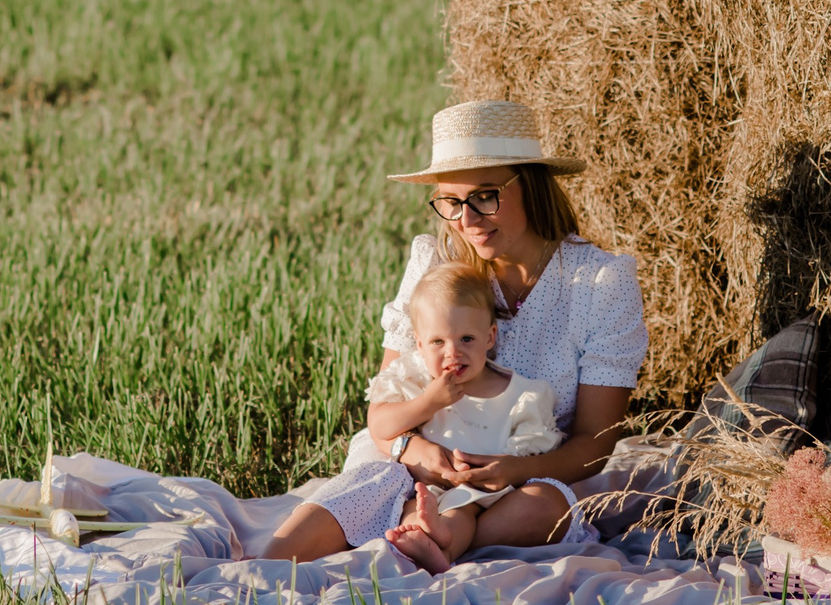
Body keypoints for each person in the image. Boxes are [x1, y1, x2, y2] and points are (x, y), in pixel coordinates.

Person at [262, 98, 647, 562]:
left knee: (545, 508)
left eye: (486, 196)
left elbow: (596, 442)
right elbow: (385, 406)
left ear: (532, 185)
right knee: (371, 483)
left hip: (521, 477)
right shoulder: (433, 262)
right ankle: (270, 564)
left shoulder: (601, 283)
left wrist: (514, 470)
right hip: (410, 454)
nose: (466, 221)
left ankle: (410, 537)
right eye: (450, 201)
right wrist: (415, 449)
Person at [365, 260, 560, 572]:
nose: (452, 352)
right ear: (419, 344)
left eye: (466, 339)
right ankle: (421, 534)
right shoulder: (419, 383)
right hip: (425, 484)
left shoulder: (519, 394)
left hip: (480, 492)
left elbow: (533, 446)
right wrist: (428, 403)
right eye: (438, 342)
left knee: (462, 510)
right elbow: (379, 425)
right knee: (413, 506)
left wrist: (504, 467)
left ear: (490, 338)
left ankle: (443, 547)